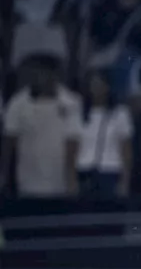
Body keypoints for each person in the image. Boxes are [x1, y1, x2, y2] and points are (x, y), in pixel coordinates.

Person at [1, 55, 80, 200]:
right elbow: (9, 142)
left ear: (55, 75)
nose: (40, 77)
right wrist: (3, 175)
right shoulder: (17, 103)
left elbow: (72, 144)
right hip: (27, 181)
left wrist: (71, 180)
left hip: (61, 184)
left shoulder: (71, 102)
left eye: (44, 73)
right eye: (36, 73)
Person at [75, 70, 133, 198]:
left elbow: (126, 150)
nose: (97, 89)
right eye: (94, 84)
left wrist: (124, 181)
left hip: (110, 171)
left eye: (101, 85)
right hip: (84, 171)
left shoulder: (120, 113)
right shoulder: (79, 113)